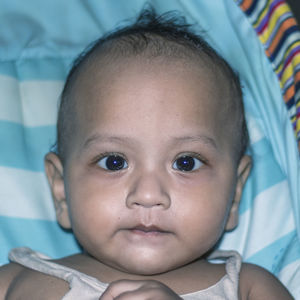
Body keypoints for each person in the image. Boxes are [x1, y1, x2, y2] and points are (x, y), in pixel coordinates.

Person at [0, 8, 293, 300]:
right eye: (114, 162)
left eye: (186, 163)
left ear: (235, 192)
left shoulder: (249, 287)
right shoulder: (18, 279)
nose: (149, 194)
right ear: (61, 189)